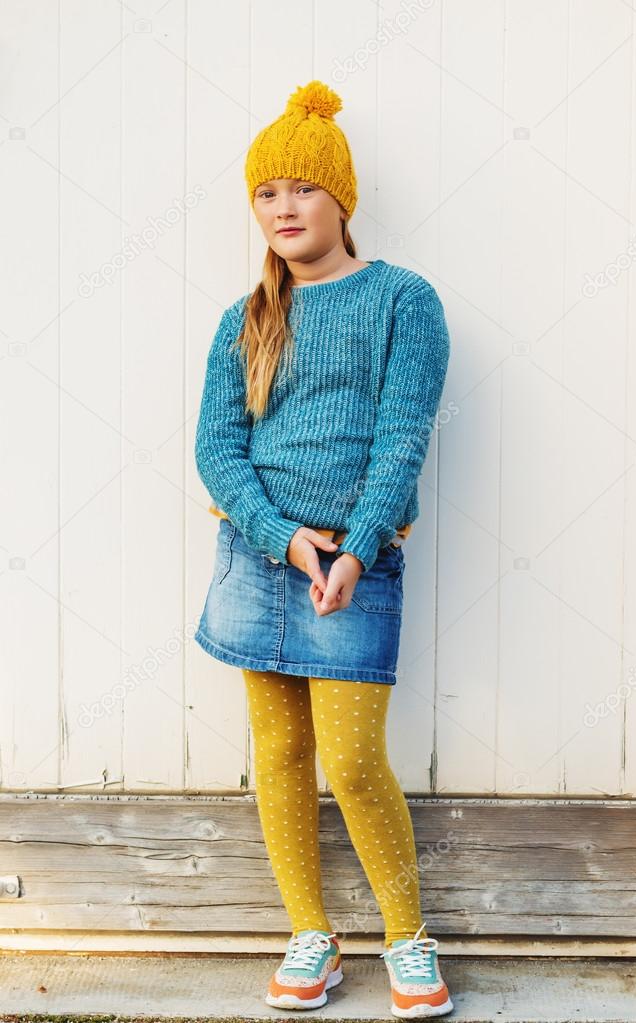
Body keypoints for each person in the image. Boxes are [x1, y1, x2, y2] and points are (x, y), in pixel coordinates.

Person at [194, 79, 453, 1018]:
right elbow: (216, 449)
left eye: (302, 189)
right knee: (280, 752)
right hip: (256, 560)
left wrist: (352, 547)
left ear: (341, 198)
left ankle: (407, 935)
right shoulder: (246, 318)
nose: (284, 208)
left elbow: (402, 438)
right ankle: (311, 930)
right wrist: (278, 534)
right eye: (267, 194)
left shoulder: (401, 300)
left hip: (355, 563)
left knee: (352, 763)